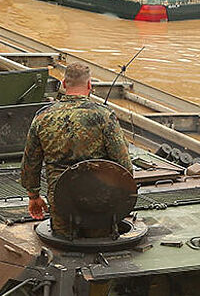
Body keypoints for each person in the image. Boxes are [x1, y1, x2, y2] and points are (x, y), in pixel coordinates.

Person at [20, 63, 133, 237]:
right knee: (100, 241)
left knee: (64, 243)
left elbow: (30, 162)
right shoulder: (104, 116)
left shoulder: (43, 117)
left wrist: (33, 196)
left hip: (60, 197)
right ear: (89, 85)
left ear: (64, 84)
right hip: (99, 196)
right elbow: (124, 164)